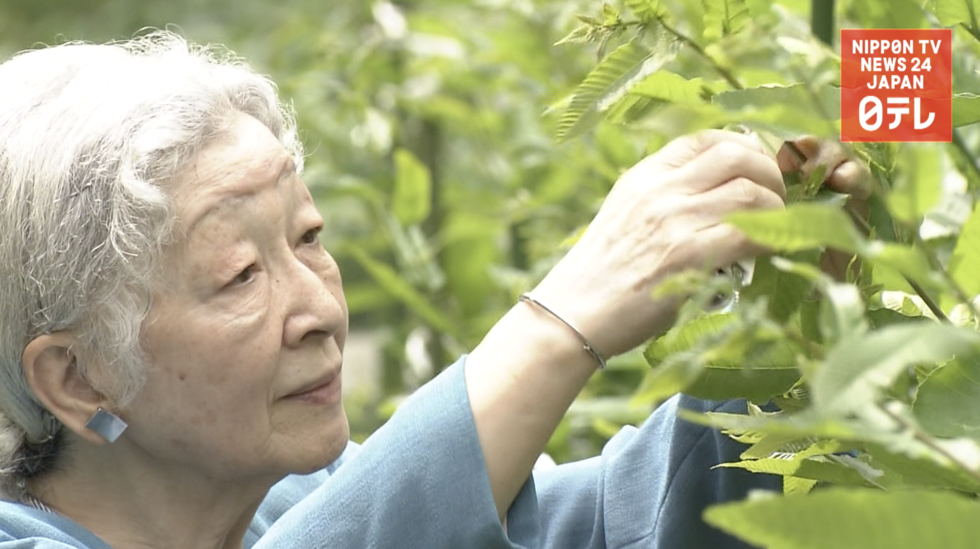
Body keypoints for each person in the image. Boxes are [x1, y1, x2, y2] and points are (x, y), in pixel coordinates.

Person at [0, 32, 869, 549]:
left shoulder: (290, 503)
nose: (320, 312)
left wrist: (794, 311)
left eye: (310, 238)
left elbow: (628, 519)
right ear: (78, 379)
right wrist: (559, 322)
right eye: (239, 275)